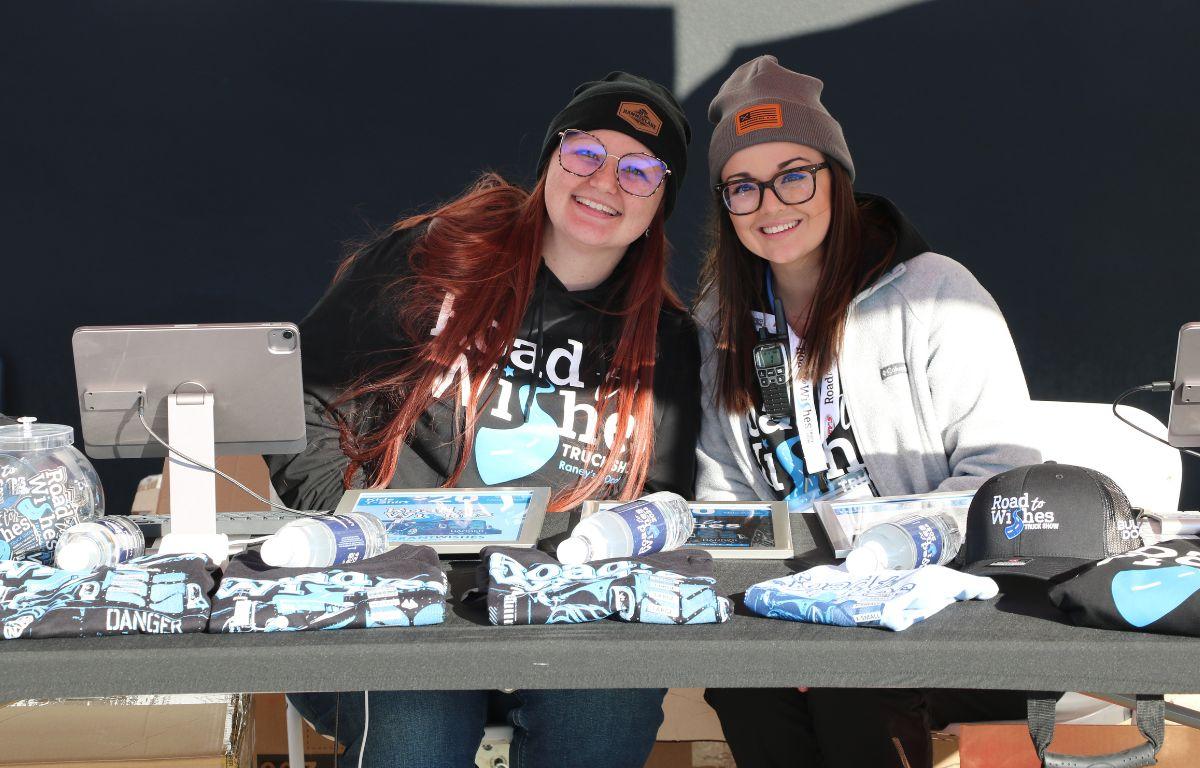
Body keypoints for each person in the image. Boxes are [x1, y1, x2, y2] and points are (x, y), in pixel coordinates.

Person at [266, 72, 697, 768]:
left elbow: (659, 511)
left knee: (606, 710)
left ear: (661, 205)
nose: (606, 182)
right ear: (552, 160)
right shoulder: (439, 258)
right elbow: (301, 398)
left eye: (640, 170)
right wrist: (352, 524)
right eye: (586, 152)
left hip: (564, 618)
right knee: (420, 732)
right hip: (393, 597)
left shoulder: (666, 345)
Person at [693, 55, 1041, 768]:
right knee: (742, 681)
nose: (771, 204)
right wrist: (780, 606)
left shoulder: (938, 294)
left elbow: (1002, 479)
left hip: (946, 599)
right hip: (799, 603)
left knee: (848, 680)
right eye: (743, 187)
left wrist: (873, 578)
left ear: (836, 178)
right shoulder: (720, 324)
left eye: (794, 174)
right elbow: (723, 496)